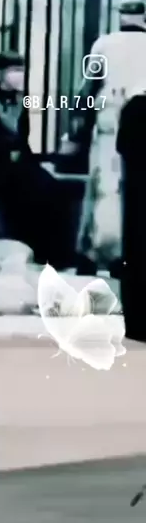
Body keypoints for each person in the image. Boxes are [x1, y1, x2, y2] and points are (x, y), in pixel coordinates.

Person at [64, 0, 146, 277]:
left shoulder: (104, 44)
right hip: (141, 125)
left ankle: (91, 254)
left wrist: (77, 126)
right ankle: (126, 255)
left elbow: (88, 87)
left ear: (120, 15)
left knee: (102, 187)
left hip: (110, 121)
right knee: (134, 191)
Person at [0, 51, 71, 268]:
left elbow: (24, 136)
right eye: (14, 70)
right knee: (25, 192)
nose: (18, 76)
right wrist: (7, 150)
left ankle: (56, 254)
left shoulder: (21, 100)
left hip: (19, 161)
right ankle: (36, 248)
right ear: (1, 72)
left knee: (52, 188)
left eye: (21, 71)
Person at [116, 84, 146, 341]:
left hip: (136, 195)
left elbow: (122, 146)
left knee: (136, 256)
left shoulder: (134, 109)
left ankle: (136, 323)